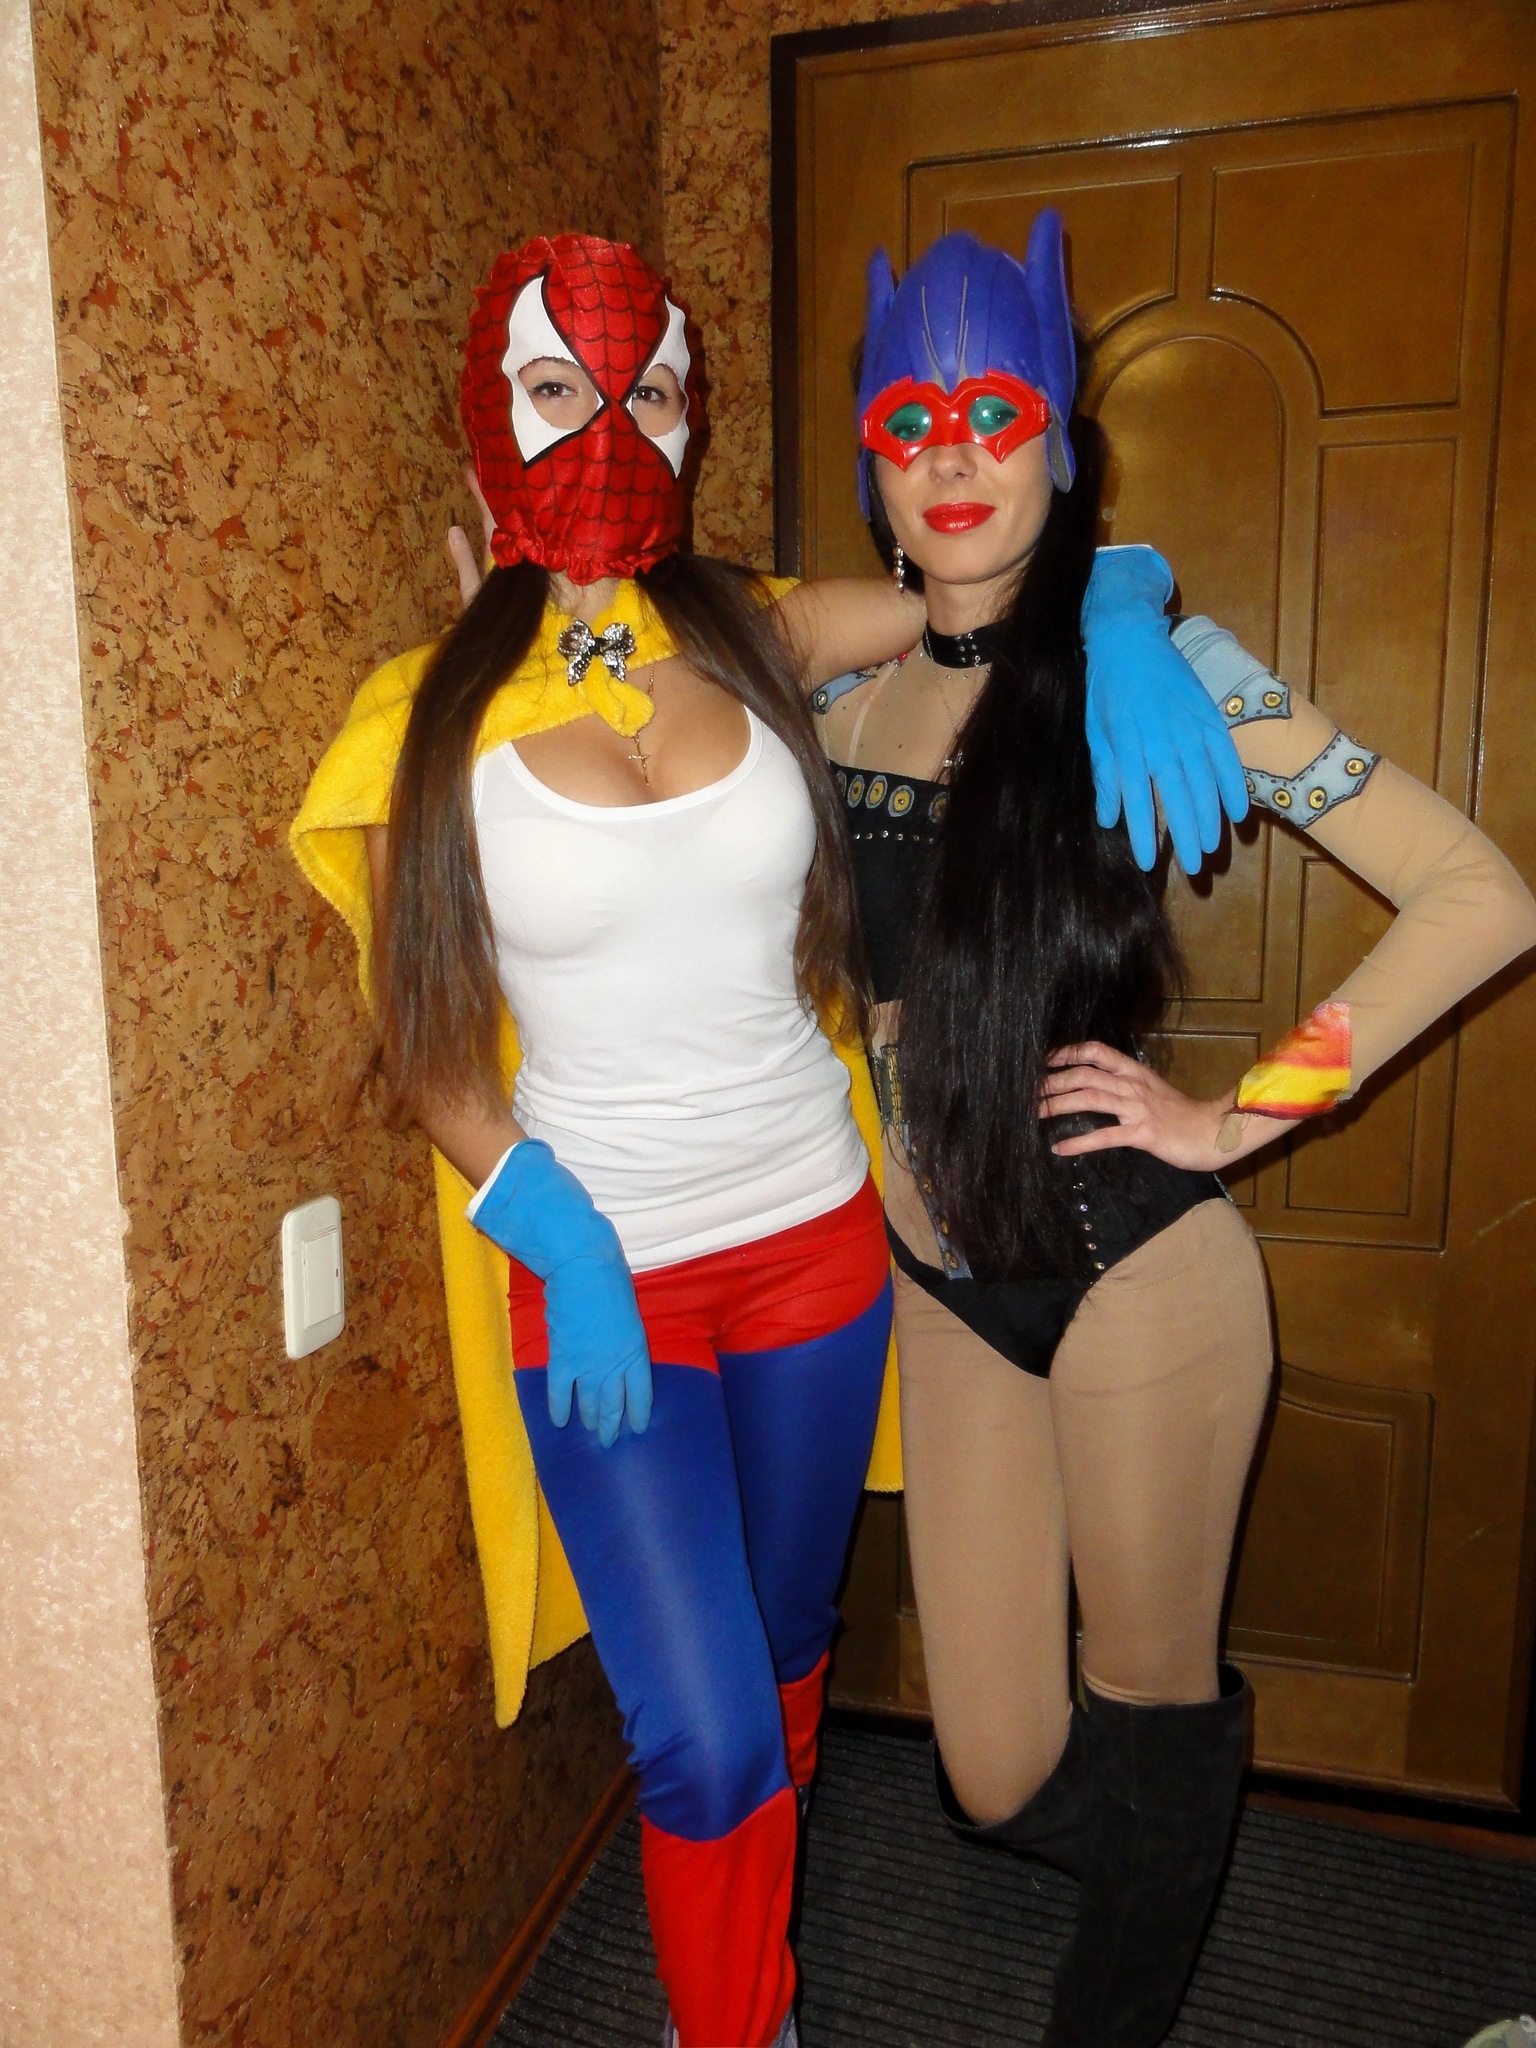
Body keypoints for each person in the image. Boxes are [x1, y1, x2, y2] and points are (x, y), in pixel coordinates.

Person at [293, 232, 1252, 2048]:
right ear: (491, 417)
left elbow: (981, 577)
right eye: (561, 388)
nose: (610, 424)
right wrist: (565, 1240)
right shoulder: (432, 710)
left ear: (690, 413)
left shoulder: (753, 630)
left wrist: (1130, 595)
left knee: (789, 1650)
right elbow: (424, 1046)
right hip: (606, 1275)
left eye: (648, 388)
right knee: (707, 1731)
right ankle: (738, 2023)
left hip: (815, 1247)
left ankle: (743, 1960)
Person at [818, 216, 1536, 2048]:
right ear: (871, 462)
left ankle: (1137, 1954)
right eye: (911, 421)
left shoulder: (1168, 672)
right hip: (944, 1292)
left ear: (1060, 439)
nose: (957, 455)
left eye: (998, 412)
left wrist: (1235, 1120)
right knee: (989, 1768)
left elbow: (1481, 895)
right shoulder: (835, 694)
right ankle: (1173, 1849)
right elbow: (691, 628)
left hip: (1137, 1275)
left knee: (1145, 1711)